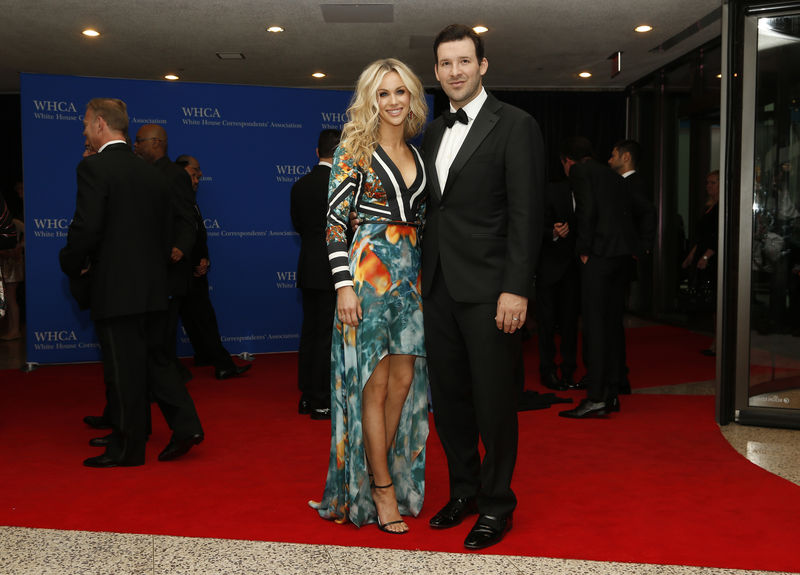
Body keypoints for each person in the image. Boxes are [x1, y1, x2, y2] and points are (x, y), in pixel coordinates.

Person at [421, 24, 544, 550]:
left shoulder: (516, 125)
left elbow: (527, 214)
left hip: (493, 291)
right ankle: (465, 490)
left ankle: (497, 504)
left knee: (493, 403)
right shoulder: (430, 131)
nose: (455, 72)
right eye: (446, 63)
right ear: (437, 70)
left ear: (483, 65)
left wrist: (516, 288)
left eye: (464, 62)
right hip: (438, 288)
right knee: (449, 401)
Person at [310, 58, 429, 535]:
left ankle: (381, 468)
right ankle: (381, 489)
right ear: (370, 100)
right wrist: (343, 286)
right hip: (367, 276)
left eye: (401, 92)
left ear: (413, 96)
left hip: (411, 279)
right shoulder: (353, 150)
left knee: (404, 383)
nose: (394, 101)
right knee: (374, 387)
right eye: (384, 94)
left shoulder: (420, 157)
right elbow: (335, 225)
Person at [59, 98, 204, 467]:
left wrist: (71, 262)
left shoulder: (94, 168)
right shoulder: (153, 173)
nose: (84, 129)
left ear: (101, 125)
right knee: (155, 360)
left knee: (123, 367)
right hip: (153, 285)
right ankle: (176, 427)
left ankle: (127, 448)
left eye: (87, 123)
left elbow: (87, 228)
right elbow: (164, 230)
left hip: (116, 286)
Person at [559, 137, 655, 419]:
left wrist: (584, 249)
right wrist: (639, 247)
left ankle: (597, 398)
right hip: (620, 259)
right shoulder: (612, 176)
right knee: (612, 325)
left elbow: (586, 210)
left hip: (599, 257)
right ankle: (612, 391)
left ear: (569, 161)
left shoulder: (581, 171)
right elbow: (640, 211)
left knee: (595, 327)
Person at [174, 154, 252, 380]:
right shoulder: (177, 199)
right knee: (202, 319)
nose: (198, 178)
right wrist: (194, 262)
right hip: (184, 271)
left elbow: (198, 235)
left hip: (194, 270)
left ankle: (205, 356)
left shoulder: (190, 198)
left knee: (195, 317)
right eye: (193, 173)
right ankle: (222, 363)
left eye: (198, 174)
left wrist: (204, 258)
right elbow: (181, 235)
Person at [133, 124, 197, 381]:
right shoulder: (138, 172)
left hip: (168, 267)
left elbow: (186, 216)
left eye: (139, 141)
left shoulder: (174, 174)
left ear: (157, 143)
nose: (135, 145)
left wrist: (180, 247)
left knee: (162, 335)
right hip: (145, 265)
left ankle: (165, 384)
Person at [290, 130, 341, 419]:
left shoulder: (300, 185)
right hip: (334, 269)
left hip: (308, 267)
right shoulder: (340, 185)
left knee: (310, 333)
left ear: (316, 151)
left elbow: (298, 225)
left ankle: (308, 395)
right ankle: (322, 399)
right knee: (326, 337)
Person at [535, 175, 580, 392]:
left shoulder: (587, 191)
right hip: (549, 269)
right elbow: (534, 226)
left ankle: (569, 369)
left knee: (570, 323)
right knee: (546, 323)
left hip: (574, 268)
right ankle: (548, 370)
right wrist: (552, 232)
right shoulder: (550, 190)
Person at [682, 170, 719, 354]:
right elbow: (703, 236)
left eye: (713, 182)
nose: (708, 186)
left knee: (716, 302)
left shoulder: (722, 207)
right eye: (707, 182)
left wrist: (706, 256)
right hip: (704, 255)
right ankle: (717, 340)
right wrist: (692, 255)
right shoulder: (709, 206)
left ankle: (719, 342)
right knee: (712, 302)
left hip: (714, 258)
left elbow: (717, 237)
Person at [0, 181, 24, 340]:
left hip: (11, 261)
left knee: (10, 296)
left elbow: (20, 237)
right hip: (8, 259)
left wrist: (19, 248)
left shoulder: (17, 219)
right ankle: (13, 329)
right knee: (9, 297)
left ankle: (14, 330)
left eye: (21, 189)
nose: (19, 193)